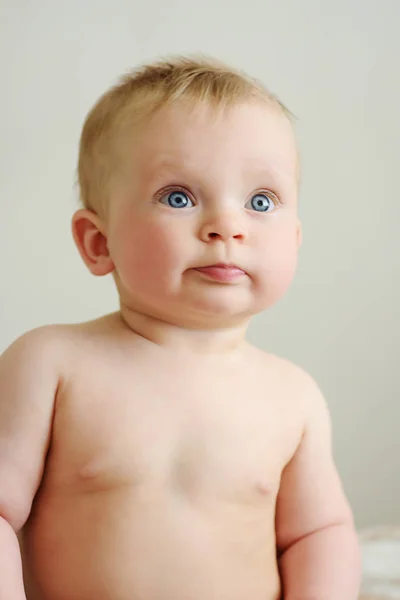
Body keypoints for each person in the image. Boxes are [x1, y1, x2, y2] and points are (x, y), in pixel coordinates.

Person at [0, 55, 361, 600]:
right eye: (179, 197)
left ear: (295, 239)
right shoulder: (52, 364)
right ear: (99, 243)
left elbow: (318, 533)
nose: (227, 226)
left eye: (260, 201)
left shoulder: (293, 397)